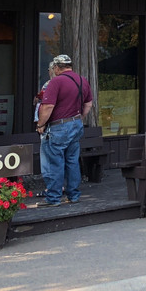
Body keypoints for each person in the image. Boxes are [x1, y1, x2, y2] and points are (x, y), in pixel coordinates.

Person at [36, 54, 92, 206]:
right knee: (72, 160)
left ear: (56, 67)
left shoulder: (56, 81)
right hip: (76, 123)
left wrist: (40, 124)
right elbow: (88, 104)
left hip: (58, 126)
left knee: (53, 162)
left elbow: (48, 107)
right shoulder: (82, 80)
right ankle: (73, 195)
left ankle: (53, 197)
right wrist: (79, 118)